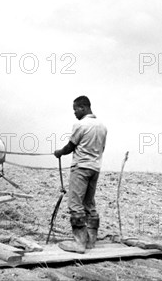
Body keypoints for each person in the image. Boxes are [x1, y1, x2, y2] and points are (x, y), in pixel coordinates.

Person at [54, 95, 107, 253]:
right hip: (95, 168)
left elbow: (70, 146)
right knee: (89, 203)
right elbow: (102, 148)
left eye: (75, 109)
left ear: (83, 108)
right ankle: (91, 240)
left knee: (75, 204)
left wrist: (59, 153)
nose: (75, 113)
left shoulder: (80, 125)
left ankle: (79, 243)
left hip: (81, 168)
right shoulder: (103, 126)